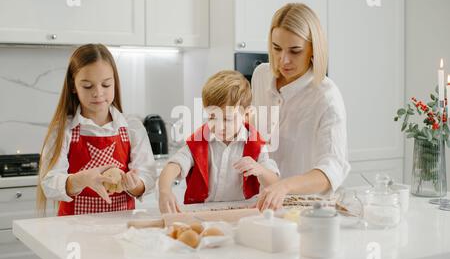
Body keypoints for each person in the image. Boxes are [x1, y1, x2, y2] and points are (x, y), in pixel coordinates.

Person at [37, 44, 156, 217]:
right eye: (87, 86)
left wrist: (135, 185)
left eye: (106, 84)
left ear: (115, 82)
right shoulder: (63, 130)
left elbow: (148, 177)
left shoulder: (132, 127)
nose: (98, 93)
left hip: (121, 228)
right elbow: (49, 183)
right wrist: (82, 179)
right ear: (73, 86)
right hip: (74, 230)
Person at [251, 3, 351, 211]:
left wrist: (285, 186)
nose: (283, 60)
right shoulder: (261, 76)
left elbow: (332, 169)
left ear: (313, 49)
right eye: (277, 48)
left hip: (307, 210)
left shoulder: (326, 96)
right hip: (263, 205)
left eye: (295, 51)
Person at [158, 70, 280, 213]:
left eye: (227, 119)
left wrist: (260, 170)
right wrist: (165, 191)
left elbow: (274, 183)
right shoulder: (199, 141)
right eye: (211, 117)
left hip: (242, 214)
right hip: (203, 214)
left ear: (246, 115)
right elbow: (174, 164)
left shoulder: (255, 144)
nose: (219, 126)